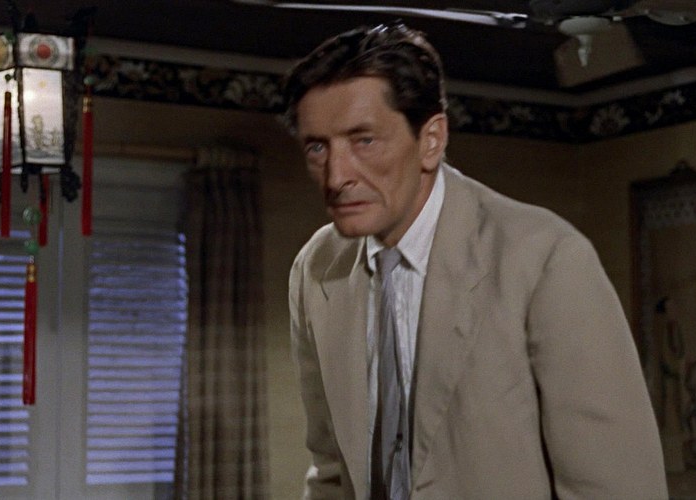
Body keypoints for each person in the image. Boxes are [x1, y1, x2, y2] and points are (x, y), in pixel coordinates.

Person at [285, 22, 667, 499]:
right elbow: (330, 472)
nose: (336, 176)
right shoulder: (316, 268)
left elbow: (618, 488)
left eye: (364, 141)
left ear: (431, 139)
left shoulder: (543, 259)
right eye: (318, 147)